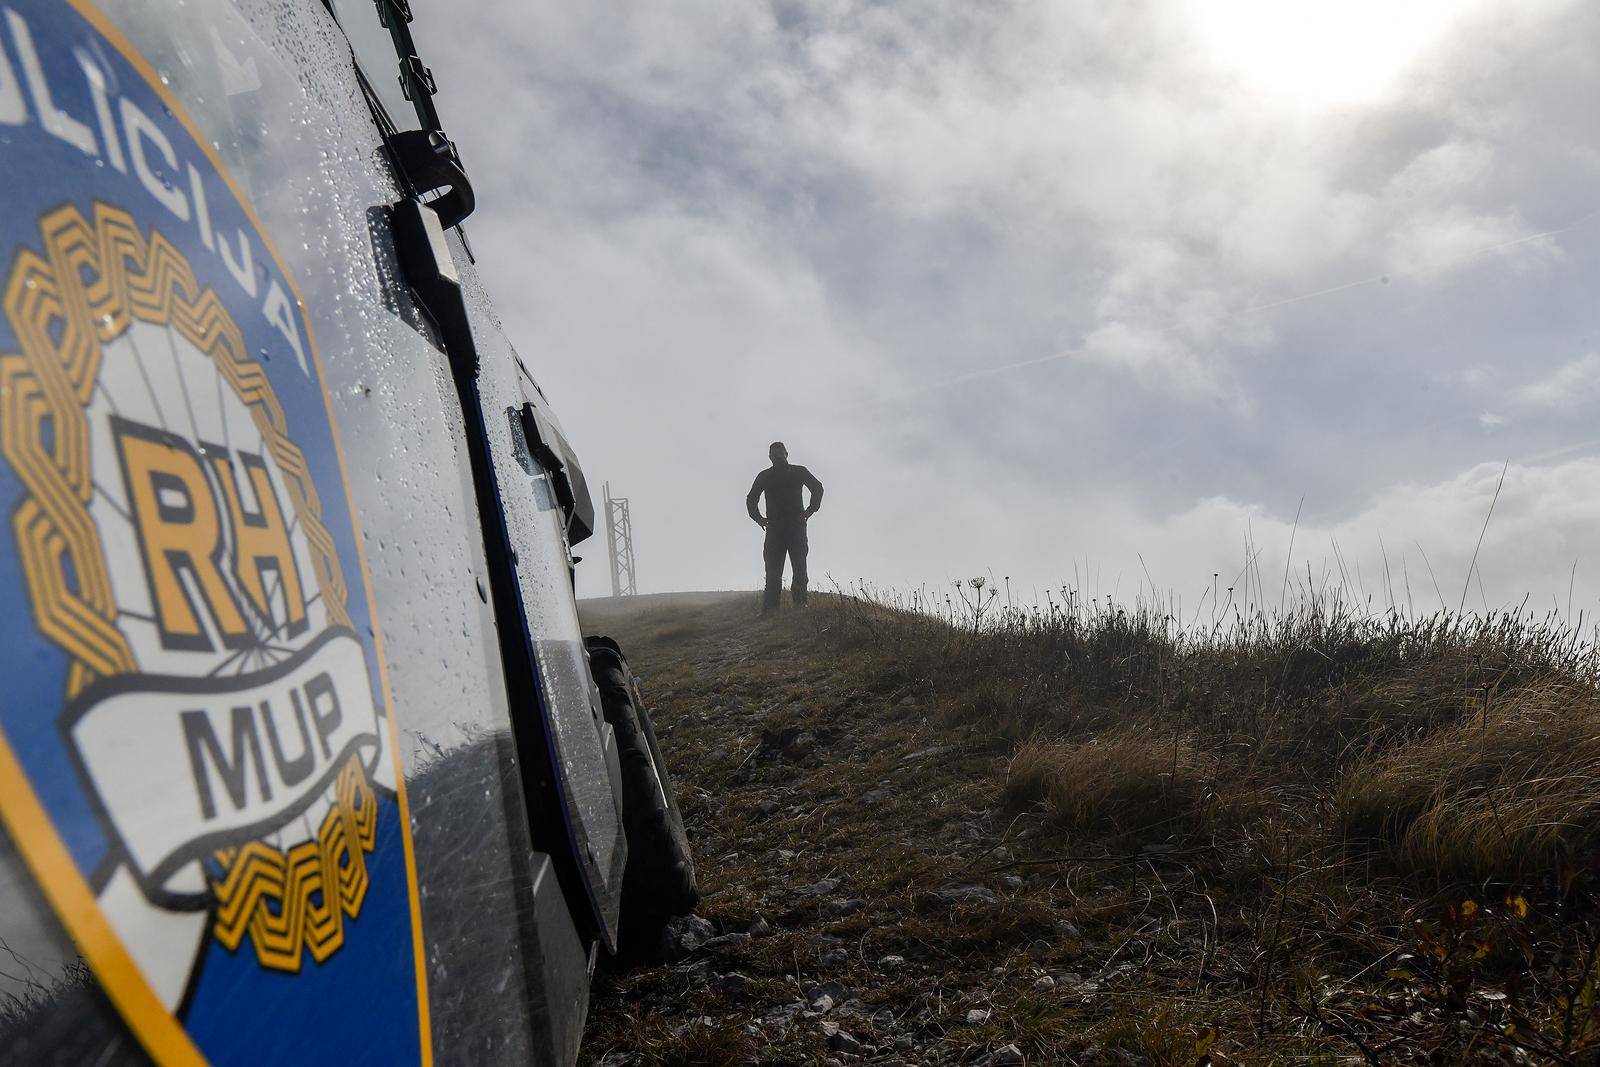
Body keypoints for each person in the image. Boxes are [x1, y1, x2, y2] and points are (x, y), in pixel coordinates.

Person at [746, 442, 823, 613]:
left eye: (780, 454)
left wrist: (810, 510)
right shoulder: (764, 476)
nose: (777, 457)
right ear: (769, 457)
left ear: (786, 454)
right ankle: (771, 612)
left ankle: (800, 609)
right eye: (774, 455)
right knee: (773, 574)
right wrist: (758, 518)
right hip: (775, 529)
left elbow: (817, 488)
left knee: (800, 571)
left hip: (796, 527)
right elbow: (751, 499)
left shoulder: (799, 471)